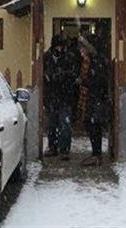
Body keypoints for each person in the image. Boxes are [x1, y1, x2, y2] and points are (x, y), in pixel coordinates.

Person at [77, 36, 111, 166]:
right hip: (93, 98)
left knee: (94, 126)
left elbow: (98, 81)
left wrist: (85, 82)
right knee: (91, 125)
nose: (81, 51)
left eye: (83, 48)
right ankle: (95, 154)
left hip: (97, 99)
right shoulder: (91, 61)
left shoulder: (97, 62)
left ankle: (96, 155)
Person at [43, 35, 77, 160]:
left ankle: (64, 150)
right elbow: (43, 75)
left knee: (65, 125)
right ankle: (52, 147)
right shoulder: (46, 57)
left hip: (65, 97)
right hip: (51, 97)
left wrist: (62, 75)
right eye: (58, 46)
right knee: (51, 124)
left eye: (62, 46)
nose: (60, 49)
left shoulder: (69, 58)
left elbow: (73, 75)